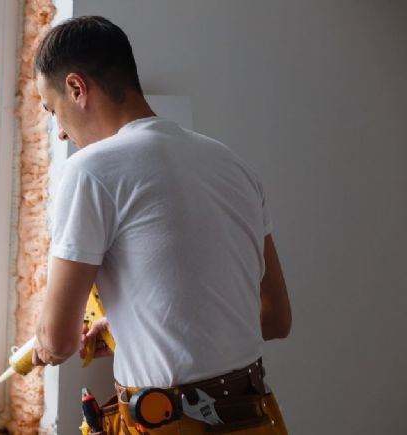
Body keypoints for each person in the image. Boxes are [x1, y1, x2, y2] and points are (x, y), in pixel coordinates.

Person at [29, 16, 292, 435]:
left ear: (77, 89)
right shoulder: (232, 164)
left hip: (171, 424)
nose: (59, 133)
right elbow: (276, 318)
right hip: (257, 417)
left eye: (52, 109)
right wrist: (134, 324)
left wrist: (42, 345)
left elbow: (58, 341)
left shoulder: (91, 171)